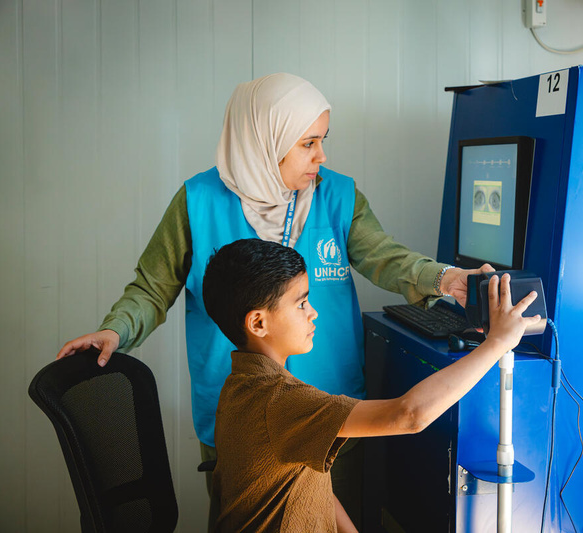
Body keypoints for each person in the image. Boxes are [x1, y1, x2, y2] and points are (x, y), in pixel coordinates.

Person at [55, 72, 491, 527]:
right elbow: (152, 287)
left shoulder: (337, 194)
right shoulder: (198, 201)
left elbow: (387, 257)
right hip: (246, 416)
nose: (321, 156)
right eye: (308, 143)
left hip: (334, 405)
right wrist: (115, 329)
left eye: (322, 140)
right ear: (264, 140)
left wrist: (445, 279)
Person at [202, 238, 539, 532]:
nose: (313, 313)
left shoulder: (243, 384)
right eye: (301, 303)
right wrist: (496, 343)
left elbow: (310, 484)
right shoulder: (279, 401)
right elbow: (408, 415)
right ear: (258, 322)